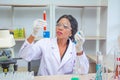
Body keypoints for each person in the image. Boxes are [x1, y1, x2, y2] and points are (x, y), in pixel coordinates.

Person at [18, 14, 89, 76]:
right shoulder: (45, 43)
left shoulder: (75, 48)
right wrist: (33, 34)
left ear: (71, 33)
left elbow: (82, 72)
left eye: (65, 26)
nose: (60, 28)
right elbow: (25, 56)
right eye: (58, 25)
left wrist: (79, 50)